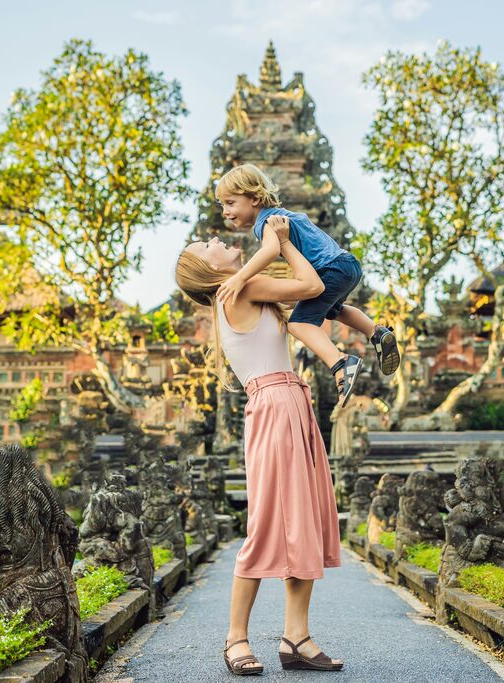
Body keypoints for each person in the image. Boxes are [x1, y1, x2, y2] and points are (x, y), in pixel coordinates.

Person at [175, 217, 344, 675]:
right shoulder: (238, 290)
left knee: (303, 520)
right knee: (267, 523)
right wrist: (282, 241)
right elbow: (308, 283)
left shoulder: (250, 288)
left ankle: (297, 637)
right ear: (207, 270)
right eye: (207, 244)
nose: (217, 238)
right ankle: (235, 638)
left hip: (291, 400)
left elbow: (316, 303)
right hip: (274, 404)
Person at [213, 163, 401, 407]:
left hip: (330, 269)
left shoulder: (267, 221)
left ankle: (341, 362)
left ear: (255, 198)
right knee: (334, 310)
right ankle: (376, 332)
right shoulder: (281, 215)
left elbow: (270, 251)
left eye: (230, 203)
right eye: (222, 205)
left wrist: (240, 277)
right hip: (346, 265)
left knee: (299, 323)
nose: (225, 212)